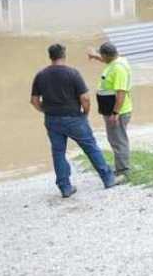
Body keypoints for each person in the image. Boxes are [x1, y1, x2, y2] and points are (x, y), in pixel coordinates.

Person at [30, 43, 122, 198]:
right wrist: (85, 113)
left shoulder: (41, 75)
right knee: (91, 147)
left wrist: (45, 110)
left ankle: (65, 188)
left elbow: (34, 100)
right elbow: (85, 98)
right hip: (74, 118)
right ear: (64, 55)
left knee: (58, 153)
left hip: (52, 120)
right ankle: (108, 178)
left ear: (50, 56)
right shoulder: (73, 73)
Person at [88, 41, 134, 176]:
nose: (102, 59)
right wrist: (95, 56)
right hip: (112, 109)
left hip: (117, 111)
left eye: (102, 56)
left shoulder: (118, 69)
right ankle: (121, 166)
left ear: (107, 55)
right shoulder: (116, 61)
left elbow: (121, 92)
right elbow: (107, 60)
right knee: (115, 138)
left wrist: (115, 112)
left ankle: (123, 170)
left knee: (118, 140)